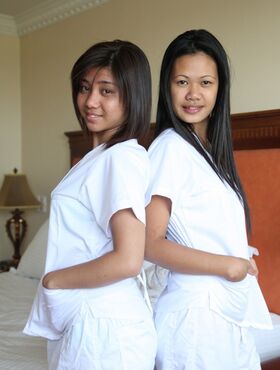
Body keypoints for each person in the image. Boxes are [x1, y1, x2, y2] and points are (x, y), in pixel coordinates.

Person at [24, 40, 157, 370]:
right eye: (84, 88)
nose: (90, 101)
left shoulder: (120, 160)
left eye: (106, 91)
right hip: (93, 322)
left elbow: (128, 258)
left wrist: (53, 280)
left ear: (132, 96)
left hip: (105, 329)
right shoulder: (98, 159)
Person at [145, 29, 272, 370]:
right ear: (167, 86)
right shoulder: (170, 148)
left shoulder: (208, 155)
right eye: (182, 82)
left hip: (221, 314)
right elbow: (150, 244)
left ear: (220, 88)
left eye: (206, 83)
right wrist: (227, 265)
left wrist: (240, 259)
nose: (193, 94)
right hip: (195, 322)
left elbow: (205, 227)